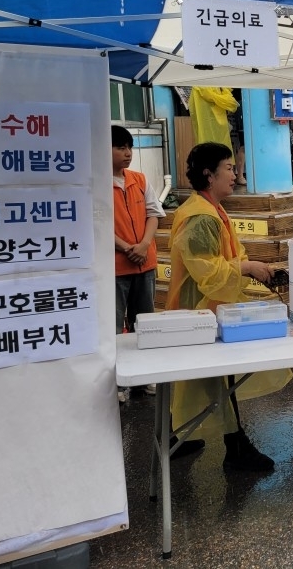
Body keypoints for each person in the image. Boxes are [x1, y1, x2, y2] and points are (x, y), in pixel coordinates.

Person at [166, 142, 292, 471]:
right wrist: (247, 268)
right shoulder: (201, 217)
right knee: (215, 379)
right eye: (229, 168)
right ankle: (226, 446)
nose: (235, 174)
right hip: (202, 310)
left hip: (210, 307)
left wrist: (247, 267)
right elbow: (208, 271)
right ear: (209, 175)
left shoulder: (210, 209)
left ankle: (213, 442)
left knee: (216, 381)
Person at [112, 125, 164, 403]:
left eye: (129, 147)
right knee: (113, 327)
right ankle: (118, 382)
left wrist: (143, 245)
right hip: (116, 267)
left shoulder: (139, 179)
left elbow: (154, 214)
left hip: (144, 263)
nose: (128, 153)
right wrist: (125, 247)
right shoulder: (96, 185)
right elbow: (97, 224)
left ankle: (144, 378)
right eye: (120, 147)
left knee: (143, 324)